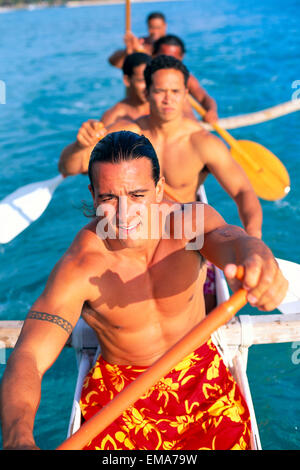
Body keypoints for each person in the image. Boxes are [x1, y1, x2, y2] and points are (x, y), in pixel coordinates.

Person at [0, 131, 288, 450]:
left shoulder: (186, 227)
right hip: (121, 396)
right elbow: (28, 356)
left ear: (159, 189)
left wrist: (256, 254)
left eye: (137, 195)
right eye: (109, 198)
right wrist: (18, 439)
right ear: (93, 194)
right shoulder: (80, 266)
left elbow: (230, 238)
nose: (125, 214)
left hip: (201, 376)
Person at [58, 55, 262, 240]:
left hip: (181, 239)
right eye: (160, 91)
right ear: (146, 92)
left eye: (175, 91)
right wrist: (79, 146)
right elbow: (68, 168)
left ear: (185, 94)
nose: (168, 99)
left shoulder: (202, 142)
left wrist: (253, 238)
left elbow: (243, 191)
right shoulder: (127, 134)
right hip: (130, 234)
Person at [153, 34, 218, 123]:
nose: (168, 63)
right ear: (154, 55)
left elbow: (204, 98)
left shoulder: (187, 79)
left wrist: (211, 111)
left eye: (173, 59)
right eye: (164, 58)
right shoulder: (146, 81)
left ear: (181, 57)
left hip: (189, 132)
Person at [101, 52, 152, 127]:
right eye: (141, 81)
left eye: (150, 80)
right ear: (127, 80)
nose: (147, 87)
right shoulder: (113, 118)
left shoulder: (164, 106)